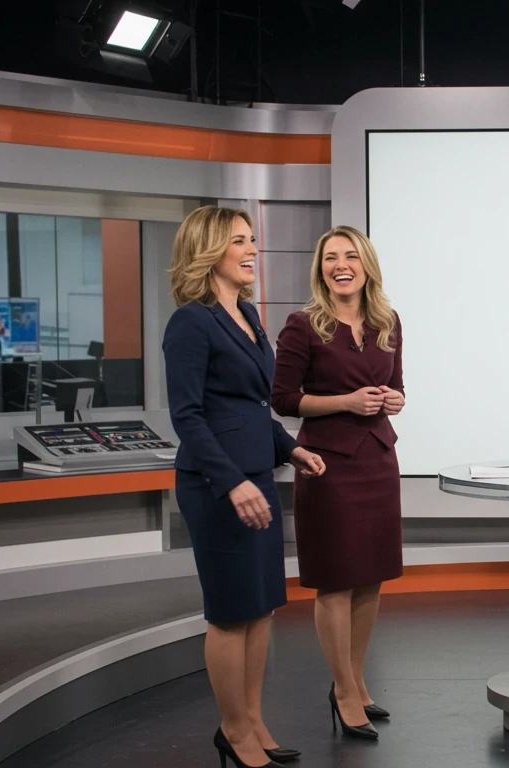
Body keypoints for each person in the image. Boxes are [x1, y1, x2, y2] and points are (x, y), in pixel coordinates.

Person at [163, 206, 327, 768]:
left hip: (257, 474)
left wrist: (291, 448)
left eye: (252, 239)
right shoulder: (190, 322)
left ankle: (254, 720)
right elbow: (187, 416)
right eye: (240, 241)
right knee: (231, 612)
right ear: (211, 251)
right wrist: (231, 482)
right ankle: (232, 730)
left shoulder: (250, 316)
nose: (253, 249)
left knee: (261, 608)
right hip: (217, 486)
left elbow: (254, 405)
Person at [271, 225, 405, 741]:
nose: (340, 264)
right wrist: (346, 403)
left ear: (366, 264)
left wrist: (393, 400)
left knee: (371, 576)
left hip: (377, 459)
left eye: (350, 256)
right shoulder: (302, 325)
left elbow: (396, 386)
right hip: (327, 464)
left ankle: (356, 681)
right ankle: (343, 690)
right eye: (331, 257)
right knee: (337, 579)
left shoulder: (387, 321)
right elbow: (283, 400)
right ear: (320, 267)